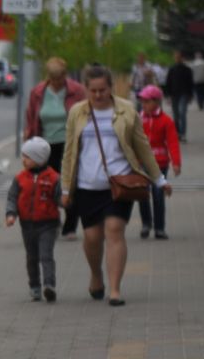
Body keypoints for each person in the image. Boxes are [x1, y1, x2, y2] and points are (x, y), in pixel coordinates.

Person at [61, 64, 168, 306]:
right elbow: (69, 153)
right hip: (87, 185)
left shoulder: (127, 110)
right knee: (91, 237)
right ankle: (96, 274)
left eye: (103, 90)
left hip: (119, 184)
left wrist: (159, 179)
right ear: (86, 89)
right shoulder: (77, 113)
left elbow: (142, 147)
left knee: (114, 230)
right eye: (93, 91)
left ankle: (115, 289)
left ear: (111, 87)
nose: (98, 95)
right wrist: (66, 188)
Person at [5, 135, 63, 302]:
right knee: (32, 257)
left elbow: (60, 198)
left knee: (46, 255)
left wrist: (66, 201)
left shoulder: (53, 178)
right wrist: (11, 214)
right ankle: (34, 286)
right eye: (23, 156)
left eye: (27, 157)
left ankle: (49, 285)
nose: (23, 159)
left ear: (39, 159)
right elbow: (12, 197)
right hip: (27, 225)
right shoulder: (20, 178)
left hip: (48, 224)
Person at [24, 57, 86, 176]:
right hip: (44, 146)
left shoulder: (77, 91)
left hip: (68, 144)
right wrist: (28, 146)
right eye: (52, 78)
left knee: (67, 179)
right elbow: (31, 119)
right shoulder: (37, 92)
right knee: (47, 181)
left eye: (59, 79)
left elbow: (85, 116)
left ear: (65, 75)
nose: (56, 82)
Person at [137, 86, 181, 240]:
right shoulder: (138, 119)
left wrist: (176, 162)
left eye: (147, 101)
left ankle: (159, 228)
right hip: (141, 163)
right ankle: (146, 224)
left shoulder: (166, 121)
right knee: (142, 194)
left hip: (160, 164)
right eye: (142, 101)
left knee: (158, 194)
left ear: (157, 102)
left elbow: (173, 142)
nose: (144, 105)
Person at [162, 55, 195, 138]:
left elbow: (190, 83)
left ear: (182, 59)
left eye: (179, 57)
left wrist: (190, 95)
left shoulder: (187, 69)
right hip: (174, 94)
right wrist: (167, 94)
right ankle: (178, 132)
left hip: (184, 94)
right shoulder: (172, 69)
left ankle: (183, 133)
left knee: (182, 113)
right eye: (176, 57)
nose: (178, 59)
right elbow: (168, 82)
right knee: (176, 115)